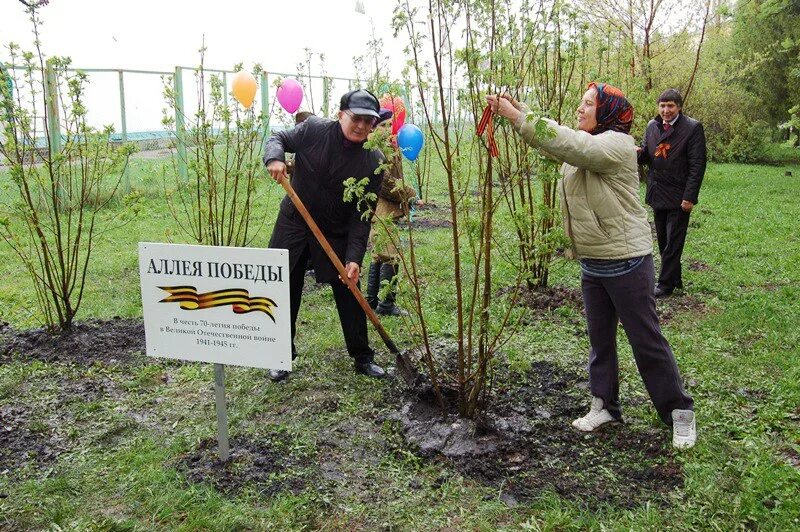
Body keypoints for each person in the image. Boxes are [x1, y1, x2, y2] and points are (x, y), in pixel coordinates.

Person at [487, 83, 697, 449]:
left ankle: (680, 414)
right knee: (600, 343)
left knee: (646, 342)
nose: (581, 109)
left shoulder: (614, 144)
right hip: (594, 262)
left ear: (610, 112)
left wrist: (518, 117)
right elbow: (559, 142)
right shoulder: (587, 143)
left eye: (589, 104)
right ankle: (605, 405)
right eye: (580, 103)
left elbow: (572, 144)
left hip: (627, 260)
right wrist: (521, 112)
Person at [263, 89, 387, 382]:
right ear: (341, 115)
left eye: (369, 121)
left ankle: (362, 357)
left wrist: (354, 257)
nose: (361, 126)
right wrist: (275, 158)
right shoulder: (313, 130)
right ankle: (281, 354)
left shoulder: (373, 160)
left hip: (335, 231)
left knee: (349, 290)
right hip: (294, 222)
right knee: (284, 286)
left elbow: (362, 215)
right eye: (356, 118)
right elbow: (278, 138)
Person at [637, 89, 707, 298]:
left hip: (679, 195)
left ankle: (665, 284)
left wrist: (689, 196)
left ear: (679, 107)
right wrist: (635, 153)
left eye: (670, 106)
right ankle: (675, 279)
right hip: (658, 191)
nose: (666, 111)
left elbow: (697, 165)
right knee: (663, 240)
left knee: (673, 242)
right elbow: (647, 155)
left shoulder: (692, 128)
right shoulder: (652, 126)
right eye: (662, 106)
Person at [365, 112, 418, 316]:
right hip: (381, 209)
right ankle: (386, 304)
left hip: (386, 209)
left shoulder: (389, 146)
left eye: (389, 125)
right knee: (391, 255)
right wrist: (410, 194)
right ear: (373, 128)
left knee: (379, 254)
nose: (388, 130)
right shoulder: (373, 149)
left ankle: (371, 301)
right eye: (382, 126)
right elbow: (386, 183)